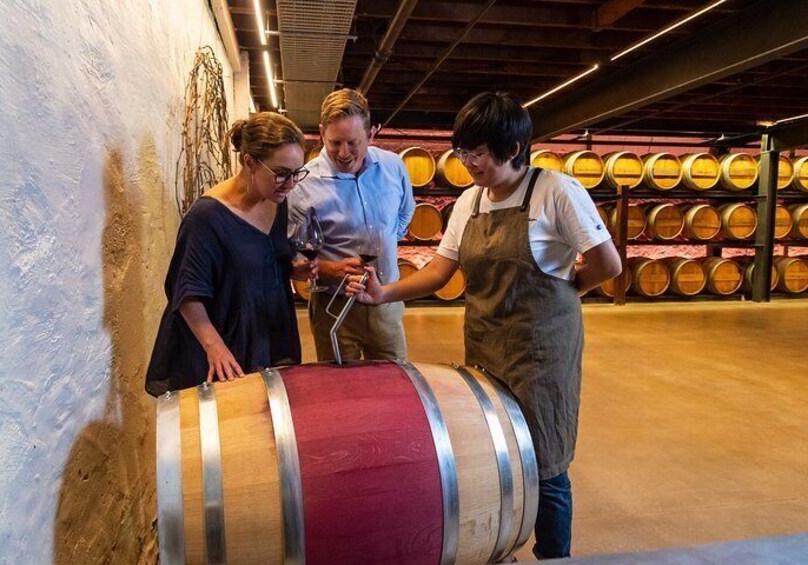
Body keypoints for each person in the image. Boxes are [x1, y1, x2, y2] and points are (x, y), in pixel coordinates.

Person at [348, 92, 622, 559]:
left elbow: (607, 262)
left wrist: (570, 287)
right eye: (462, 151)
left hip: (542, 351)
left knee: (546, 459)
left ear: (512, 148)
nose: (469, 162)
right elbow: (440, 271)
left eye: (477, 152)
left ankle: (554, 555)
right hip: (485, 344)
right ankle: (503, 543)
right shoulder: (469, 202)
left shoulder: (555, 191)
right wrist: (383, 293)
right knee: (497, 454)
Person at [145, 112, 316, 396]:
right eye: (281, 173)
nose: (290, 183)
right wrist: (216, 348)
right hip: (226, 343)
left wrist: (290, 267)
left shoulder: (276, 200)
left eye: (297, 173)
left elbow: (259, 258)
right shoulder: (207, 217)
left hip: (268, 333)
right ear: (249, 161)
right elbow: (186, 292)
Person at [288, 88, 415, 362]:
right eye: (335, 143)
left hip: (385, 301)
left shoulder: (393, 166)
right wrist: (329, 270)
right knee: (341, 394)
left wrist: (386, 239)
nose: (343, 153)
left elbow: (404, 215)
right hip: (333, 307)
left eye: (353, 143)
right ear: (322, 133)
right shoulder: (304, 183)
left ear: (371, 135)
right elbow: (292, 253)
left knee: (394, 385)